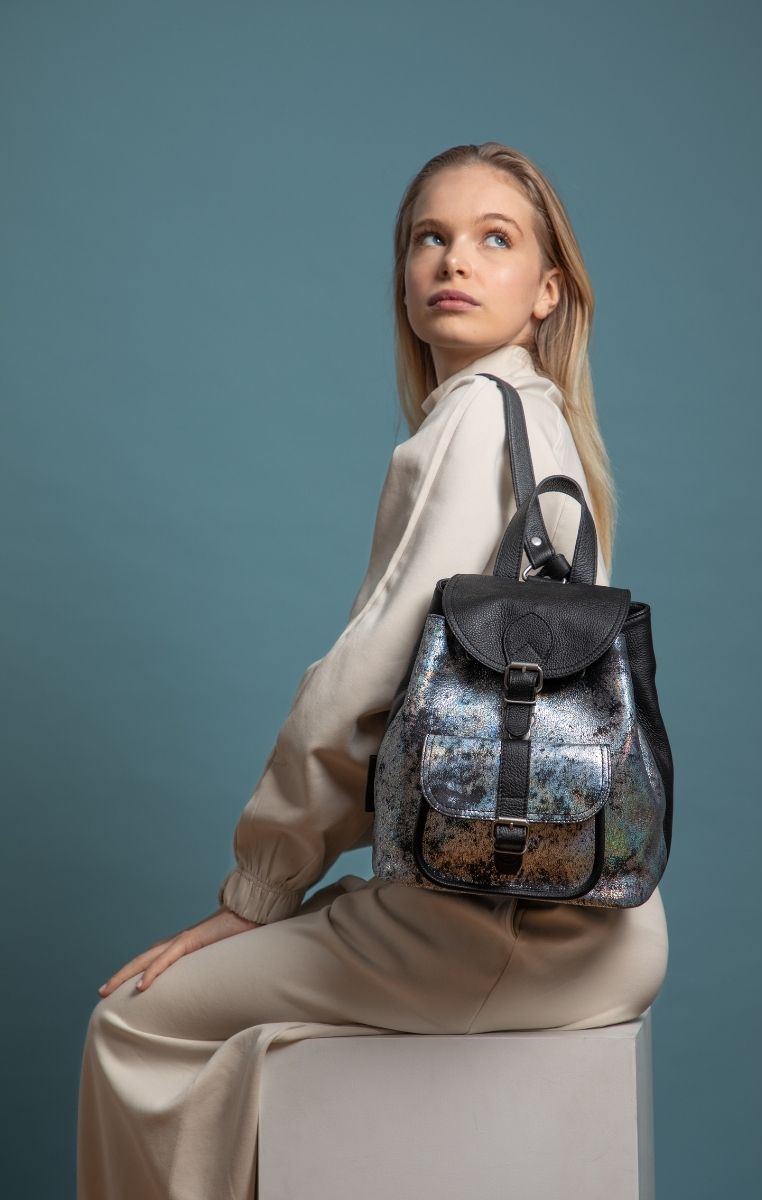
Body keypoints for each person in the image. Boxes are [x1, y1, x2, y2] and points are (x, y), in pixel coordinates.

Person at [77, 141, 669, 1200]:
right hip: (608, 929)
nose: (454, 259)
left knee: (134, 1023)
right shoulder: (548, 427)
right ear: (403, 279)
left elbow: (362, 691)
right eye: (429, 238)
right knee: (280, 1024)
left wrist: (260, 889)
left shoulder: (474, 419)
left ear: (547, 290)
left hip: (485, 936)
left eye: (494, 238)